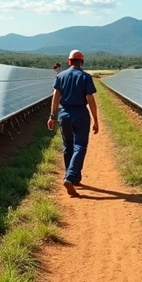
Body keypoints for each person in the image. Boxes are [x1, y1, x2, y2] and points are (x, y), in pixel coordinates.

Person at [47, 49, 99, 196]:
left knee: (67, 146)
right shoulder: (85, 77)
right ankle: (70, 177)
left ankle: (73, 178)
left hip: (64, 114)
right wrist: (95, 120)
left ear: (69, 61)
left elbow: (55, 98)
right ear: (81, 62)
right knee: (80, 146)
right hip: (81, 114)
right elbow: (90, 99)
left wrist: (52, 116)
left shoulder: (61, 76)